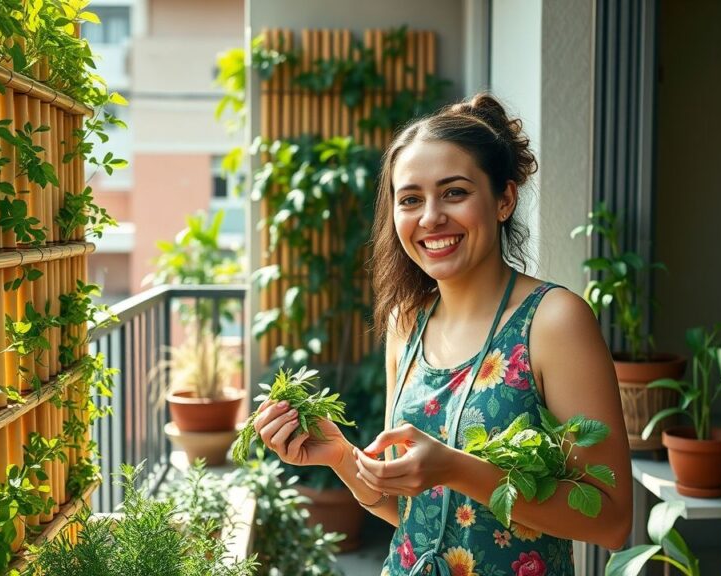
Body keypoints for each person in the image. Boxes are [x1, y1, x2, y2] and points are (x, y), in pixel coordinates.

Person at [251, 93, 633, 575]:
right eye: (411, 199)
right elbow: (410, 512)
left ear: (504, 200)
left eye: (454, 192)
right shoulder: (406, 322)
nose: (430, 217)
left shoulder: (554, 321)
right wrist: (339, 456)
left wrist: (456, 468)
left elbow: (612, 521)